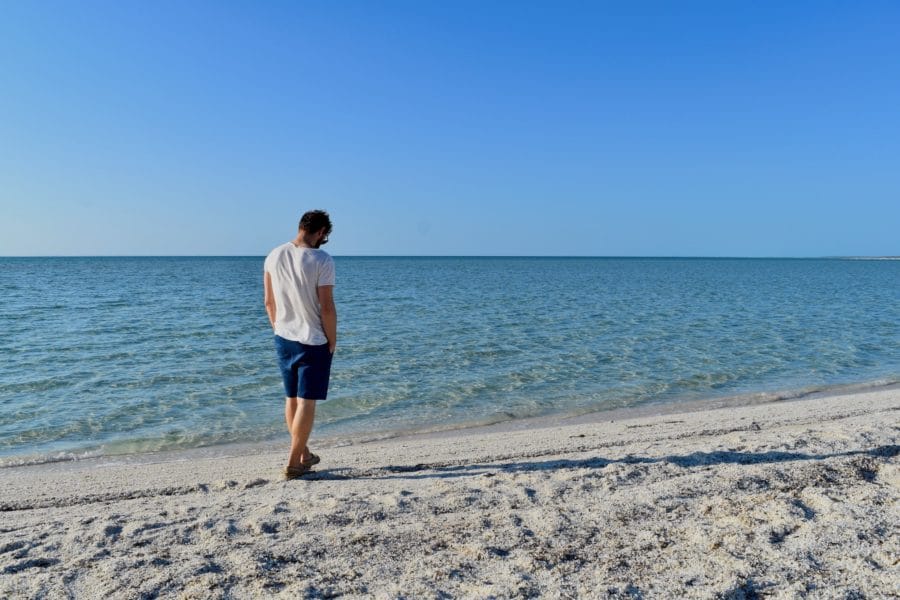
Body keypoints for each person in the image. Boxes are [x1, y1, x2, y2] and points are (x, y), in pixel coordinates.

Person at [264, 210, 337, 479]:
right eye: (324, 236)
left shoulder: (273, 254)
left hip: (283, 336)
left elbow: (268, 303)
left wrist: (278, 329)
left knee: (291, 397)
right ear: (320, 233)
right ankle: (294, 462)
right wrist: (333, 339)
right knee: (307, 401)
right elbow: (326, 307)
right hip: (313, 338)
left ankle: (304, 452)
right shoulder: (322, 259)